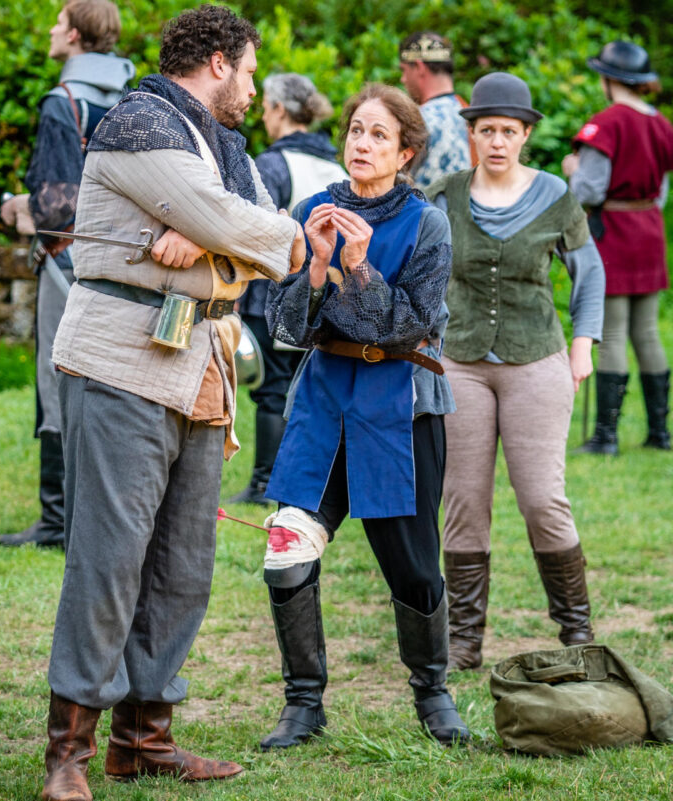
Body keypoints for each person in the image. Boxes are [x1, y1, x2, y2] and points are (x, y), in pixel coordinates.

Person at [38, 6, 307, 799]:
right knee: (109, 559)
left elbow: (284, 242)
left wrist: (213, 241)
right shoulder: (140, 123)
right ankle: (69, 758)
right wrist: (229, 234)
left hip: (202, 370)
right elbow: (248, 226)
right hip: (122, 360)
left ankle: (144, 739)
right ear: (218, 62)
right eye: (251, 70)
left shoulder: (225, 145)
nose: (256, 87)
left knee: (184, 565)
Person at [259, 83, 470, 751]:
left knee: (412, 566)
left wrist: (358, 268)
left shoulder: (426, 222)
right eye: (356, 130)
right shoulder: (309, 211)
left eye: (379, 135)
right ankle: (303, 705)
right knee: (288, 545)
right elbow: (286, 325)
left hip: (401, 403)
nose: (361, 142)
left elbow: (413, 325)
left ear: (405, 152)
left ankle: (433, 693)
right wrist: (318, 264)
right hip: (324, 399)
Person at [425, 73, 605, 671]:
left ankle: (577, 632)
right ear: (470, 133)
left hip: (537, 360)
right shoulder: (444, 194)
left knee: (542, 500)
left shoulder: (556, 194)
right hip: (461, 363)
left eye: (509, 130)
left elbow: (591, 275)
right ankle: (465, 642)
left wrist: (583, 345)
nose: (497, 141)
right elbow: (417, 268)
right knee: (464, 502)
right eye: (486, 131)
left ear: (526, 134)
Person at [0, 1, 134, 548]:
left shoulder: (63, 103)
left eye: (57, 23)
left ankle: (57, 521)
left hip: (67, 260)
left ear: (74, 36)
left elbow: (56, 206)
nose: (51, 30)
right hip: (126, 257)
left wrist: (16, 206)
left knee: (57, 381)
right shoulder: (134, 101)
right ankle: (99, 517)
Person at [225, 72, 346, 505]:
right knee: (308, 389)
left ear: (279, 109)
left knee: (272, 391)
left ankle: (263, 483)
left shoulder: (272, 164)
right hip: (325, 293)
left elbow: (253, 229)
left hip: (273, 294)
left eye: (266, 108)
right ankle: (308, 479)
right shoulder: (337, 167)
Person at [565, 41, 673, 455]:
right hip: (649, 226)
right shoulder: (661, 124)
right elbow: (663, 190)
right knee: (646, 330)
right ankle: (659, 433)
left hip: (613, 229)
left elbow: (590, 188)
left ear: (609, 79)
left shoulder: (608, 122)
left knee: (612, 332)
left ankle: (607, 437)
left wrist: (572, 170)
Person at [397, 31, 472, 190]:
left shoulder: (415, 120)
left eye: (404, 70)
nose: (403, 79)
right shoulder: (472, 116)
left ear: (419, 67)